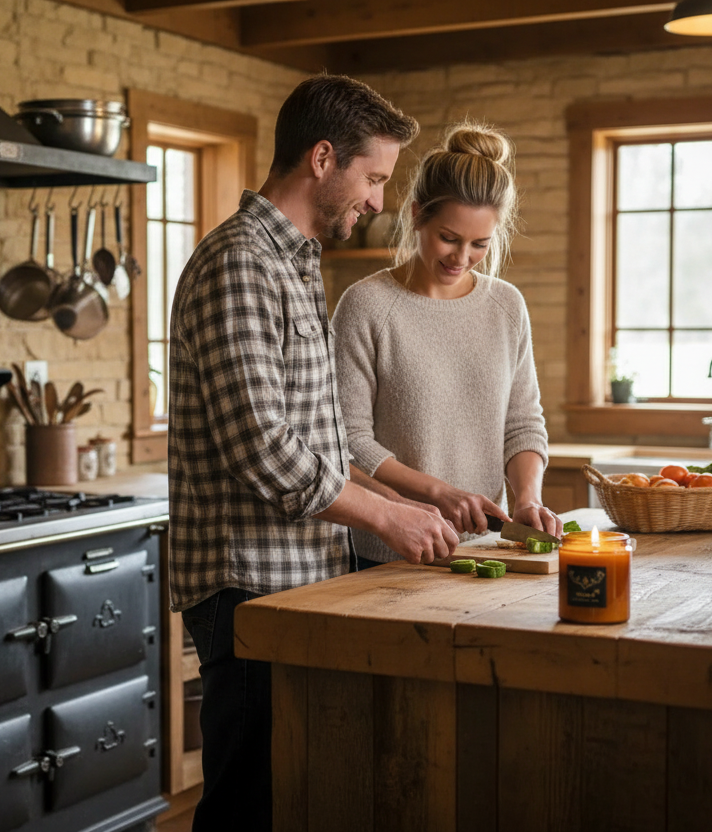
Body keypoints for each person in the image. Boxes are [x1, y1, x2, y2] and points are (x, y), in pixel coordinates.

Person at [168, 74, 459, 832]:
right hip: (248, 588)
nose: (377, 202)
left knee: (296, 794)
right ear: (323, 158)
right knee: (248, 806)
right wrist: (388, 524)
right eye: (373, 178)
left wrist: (400, 502)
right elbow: (261, 446)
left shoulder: (294, 263)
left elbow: (313, 441)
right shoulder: (240, 262)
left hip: (296, 582)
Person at [332, 121, 561, 570]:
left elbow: (522, 424)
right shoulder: (366, 306)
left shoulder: (506, 306)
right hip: (386, 557)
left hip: (484, 555)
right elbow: (349, 442)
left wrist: (527, 498)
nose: (461, 258)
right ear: (417, 215)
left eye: (480, 244)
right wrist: (440, 492)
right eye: (449, 238)